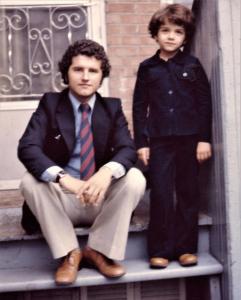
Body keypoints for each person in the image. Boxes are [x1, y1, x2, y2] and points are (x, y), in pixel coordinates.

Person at [18, 39, 146, 285]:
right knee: (29, 181)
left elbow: (127, 149)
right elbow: (28, 147)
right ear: (67, 72)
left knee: (134, 177)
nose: (85, 77)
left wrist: (106, 173)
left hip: (100, 200)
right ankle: (69, 254)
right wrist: (64, 179)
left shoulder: (112, 107)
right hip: (62, 201)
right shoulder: (50, 103)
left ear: (101, 77)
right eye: (78, 69)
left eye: (93, 71)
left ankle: (98, 250)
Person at [133, 4, 212, 269]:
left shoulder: (192, 64)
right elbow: (138, 106)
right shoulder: (147, 68)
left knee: (188, 193)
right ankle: (160, 250)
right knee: (162, 195)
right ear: (155, 35)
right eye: (165, 30)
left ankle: (186, 248)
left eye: (177, 32)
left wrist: (204, 139)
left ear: (185, 37)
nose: (170, 36)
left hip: (190, 140)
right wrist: (141, 143)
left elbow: (204, 103)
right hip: (159, 141)